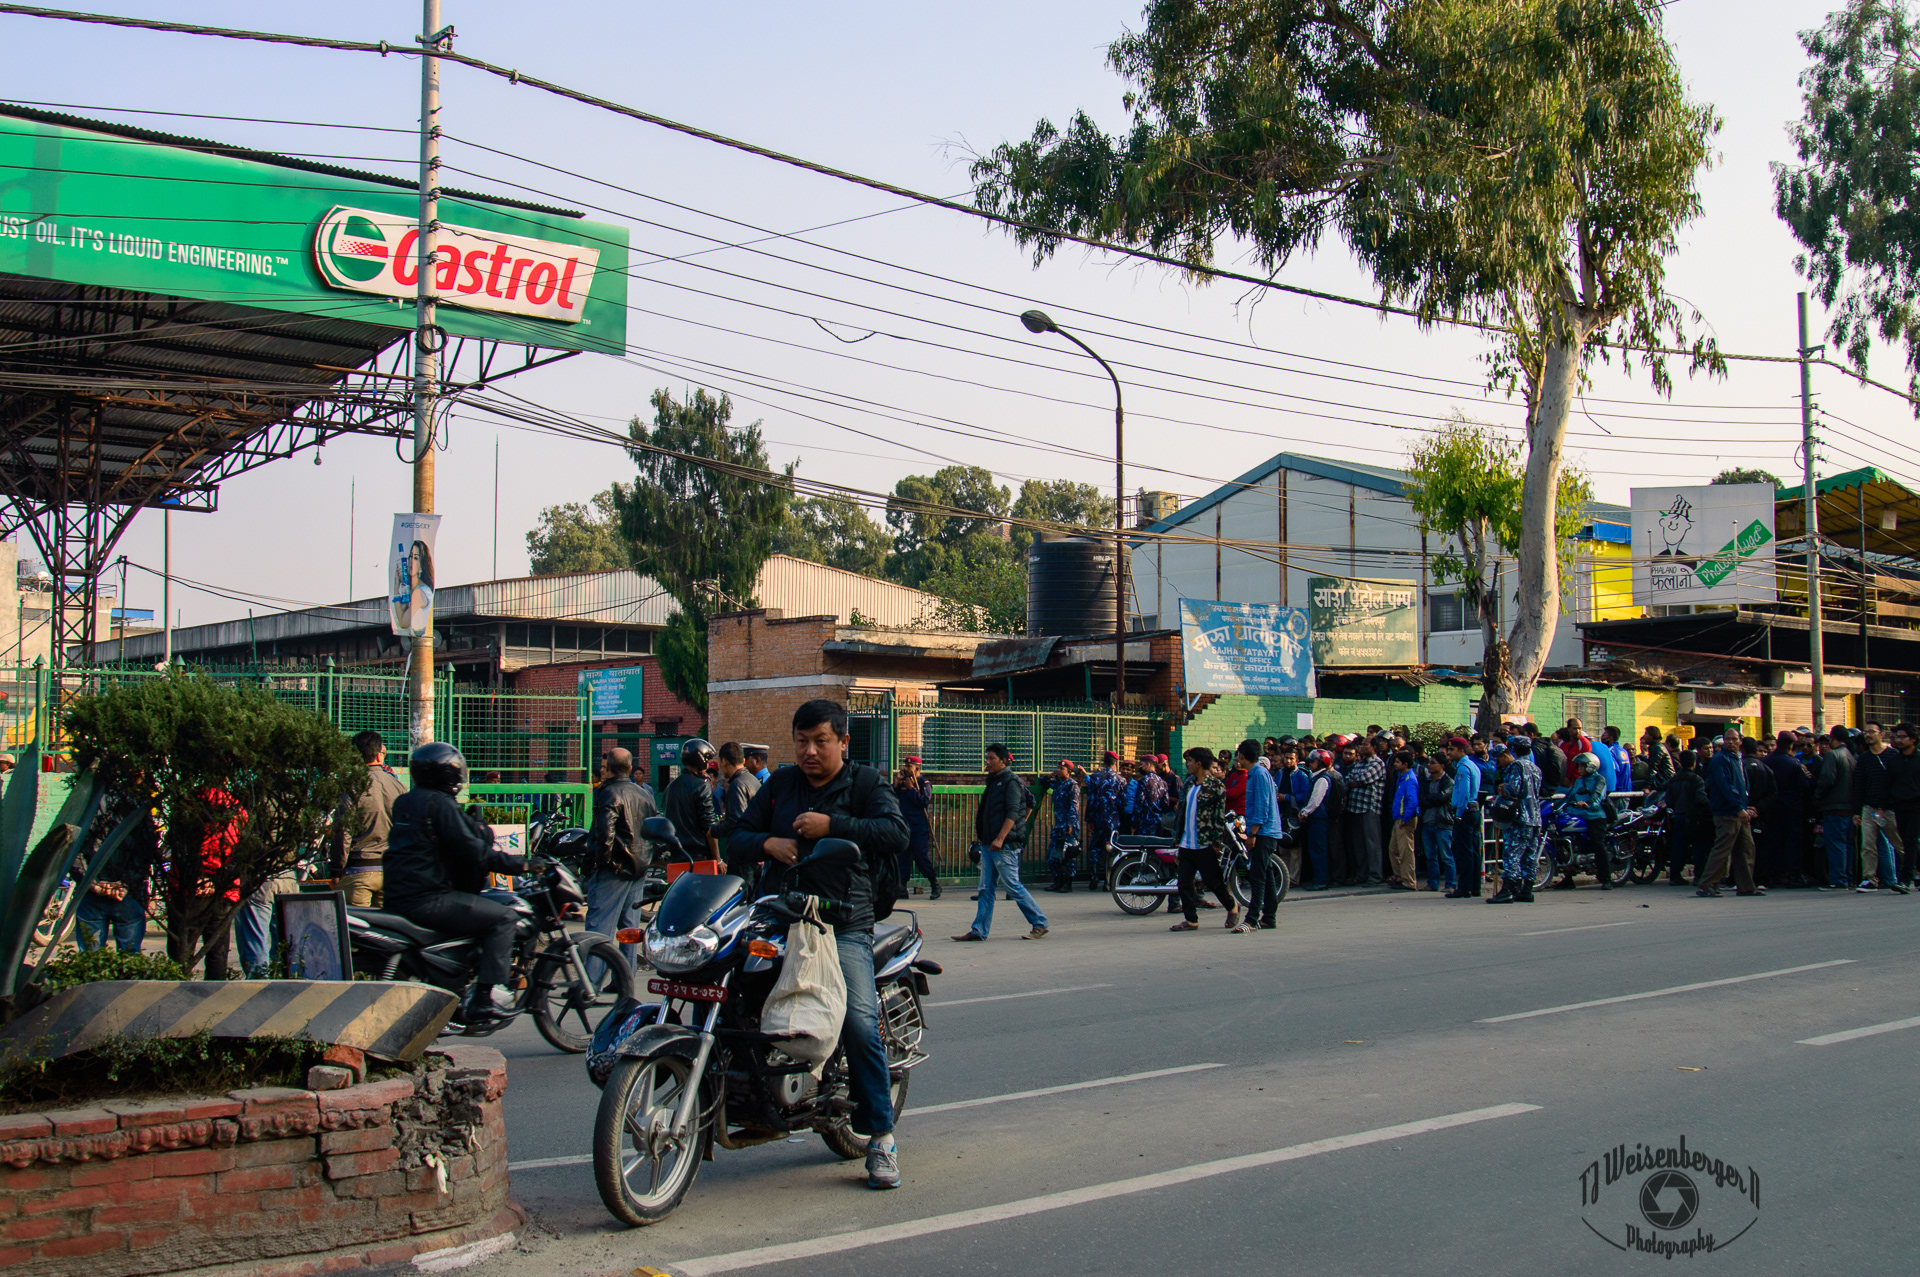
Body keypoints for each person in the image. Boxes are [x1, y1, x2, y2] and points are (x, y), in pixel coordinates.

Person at [725, 698, 909, 1190]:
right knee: (730, 989)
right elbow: (733, 835)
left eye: (820, 741)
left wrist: (836, 826)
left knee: (858, 1020)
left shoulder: (866, 783)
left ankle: (882, 1139)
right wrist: (767, 844)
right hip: (778, 913)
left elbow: (896, 833)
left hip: (842, 920)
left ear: (843, 742)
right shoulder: (781, 784)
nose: (809, 751)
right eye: (802, 741)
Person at [385, 743, 528, 1027]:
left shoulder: (406, 801)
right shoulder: (441, 805)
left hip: (398, 894)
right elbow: (473, 850)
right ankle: (485, 1000)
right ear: (447, 775)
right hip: (429, 898)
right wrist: (521, 865)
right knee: (504, 917)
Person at [955, 744, 1048, 942]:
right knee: (985, 889)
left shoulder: (1011, 781)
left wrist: (1001, 837)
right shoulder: (994, 781)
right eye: (986, 758)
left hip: (1004, 846)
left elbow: (1014, 811)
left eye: (991, 758)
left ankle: (1039, 922)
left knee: (1012, 886)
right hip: (989, 844)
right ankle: (979, 930)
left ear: (1003, 761)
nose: (987, 762)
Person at [582, 746, 657, 980]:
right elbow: (653, 828)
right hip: (638, 868)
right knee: (629, 930)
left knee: (598, 928)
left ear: (608, 769)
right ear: (630, 768)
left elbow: (605, 834)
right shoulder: (644, 794)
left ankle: (590, 983)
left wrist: (599, 864)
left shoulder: (609, 793)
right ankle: (625, 981)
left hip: (614, 870)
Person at [331, 730, 405, 909]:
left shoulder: (351, 786)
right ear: (380, 755)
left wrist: (336, 869)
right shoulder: (398, 786)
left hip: (359, 870)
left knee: (354, 932)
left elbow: (343, 832)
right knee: (386, 933)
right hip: (391, 871)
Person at [1170, 747, 1238, 931]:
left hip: (1204, 842)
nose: (1187, 764)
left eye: (1190, 761)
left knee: (1213, 882)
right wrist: (1178, 836)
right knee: (1184, 883)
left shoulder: (1216, 787)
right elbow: (1183, 812)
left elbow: (1218, 817)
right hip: (1186, 842)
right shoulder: (1189, 784)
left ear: (1199, 763)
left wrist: (1216, 843)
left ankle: (1232, 907)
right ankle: (1191, 920)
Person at [76, 804, 158, 953]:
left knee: (89, 959)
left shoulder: (88, 802)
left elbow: (75, 847)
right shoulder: (137, 803)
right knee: (130, 958)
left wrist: (93, 883)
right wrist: (126, 884)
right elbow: (146, 849)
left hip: (94, 892)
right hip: (127, 893)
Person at [1698, 729, 1762, 898]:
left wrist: (1744, 806)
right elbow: (1725, 786)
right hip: (1727, 812)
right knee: (1722, 850)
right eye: (1728, 739)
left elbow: (1741, 786)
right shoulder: (1720, 760)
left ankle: (1747, 886)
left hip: (1739, 810)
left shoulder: (1737, 759)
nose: (1731, 742)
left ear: (1740, 741)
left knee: (1746, 848)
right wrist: (1738, 808)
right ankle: (1706, 885)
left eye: (1734, 739)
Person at [1851, 723, 1909, 893]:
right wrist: (1857, 811)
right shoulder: (1863, 759)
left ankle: (1911, 871)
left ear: (1881, 734)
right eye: (1865, 732)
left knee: (1900, 843)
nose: (1867, 735)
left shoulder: (1894, 755)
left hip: (1891, 808)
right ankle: (1870, 879)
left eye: (1871, 732)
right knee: (1868, 844)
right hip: (1869, 808)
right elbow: (1859, 786)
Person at [1487, 742, 1542, 904]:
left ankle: (1508, 890)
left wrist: (1504, 787)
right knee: (1530, 855)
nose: (1498, 764)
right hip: (1535, 817)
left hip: (1520, 817)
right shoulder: (1534, 767)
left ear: (1509, 753)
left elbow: (1515, 790)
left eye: (1498, 760)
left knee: (1512, 854)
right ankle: (1526, 890)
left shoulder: (1517, 766)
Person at [1236, 739, 1281, 930]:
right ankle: (1269, 917)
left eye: (1238, 754)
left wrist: (1252, 834)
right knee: (1267, 874)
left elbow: (1262, 806)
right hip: (1262, 831)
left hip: (1264, 832)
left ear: (1243, 756)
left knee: (1258, 875)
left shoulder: (1259, 774)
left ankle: (1252, 918)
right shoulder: (1255, 774)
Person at [1763, 732, 1812, 888]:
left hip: (1771, 808)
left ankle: (1773, 875)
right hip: (1792, 809)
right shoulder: (1794, 764)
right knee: (1793, 843)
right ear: (1792, 746)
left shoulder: (1766, 762)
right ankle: (1793, 875)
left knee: (1773, 841)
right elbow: (1805, 786)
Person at [1559, 753, 1612, 890]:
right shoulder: (1578, 781)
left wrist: (1587, 804)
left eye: (1582, 766)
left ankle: (1606, 879)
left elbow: (1597, 797)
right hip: (1577, 815)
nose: (1579, 769)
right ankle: (1568, 878)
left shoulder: (1600, 780)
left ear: (1591, 766)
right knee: (1564, 841)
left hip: (1595, 816)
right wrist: (1557, 805)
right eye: (1579, 766)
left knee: (1598, 844)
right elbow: (1569, 796)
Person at [1812, 727, 1857, 890]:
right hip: (1849, 808)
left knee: (1835, 843)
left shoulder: (1833, 755)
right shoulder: (1851, 756)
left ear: (1832, 738)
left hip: (1834, 806)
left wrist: (1818, 796)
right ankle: (1848, 877)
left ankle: (1838, 879)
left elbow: (1826, 779)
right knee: (1847, 844)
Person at [662, 739, 719, 865]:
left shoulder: (670, 787)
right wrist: (718, 860)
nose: (708, 765)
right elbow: (709, 826)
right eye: (708, 761)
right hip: (698, 857)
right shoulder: (701, 786)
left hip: (676, 856)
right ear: (701, 761)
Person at [892, 756, 940, 900]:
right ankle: (902, 887)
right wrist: (896, 783)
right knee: (902, 857)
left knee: (920, 857)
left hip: (918, 827)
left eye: (909, 767)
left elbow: (924, 801)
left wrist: (911, 789)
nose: (906, 769)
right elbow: (891, 796)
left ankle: (934, 884)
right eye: (905, 766)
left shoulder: (923, 783)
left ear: (917, 769)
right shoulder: (902, 782)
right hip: (904, 825)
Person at [1342, 740, 1386, 886]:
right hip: (1354, 808)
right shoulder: (1360, 763)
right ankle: (1361, 875)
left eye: (1365, 745)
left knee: (1372, 844)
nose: (1362, 747)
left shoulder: (1377, 763)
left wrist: (1356, 781)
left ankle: (1375, 875)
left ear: (1374, 747)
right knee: (1358, 845)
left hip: (1369, 809)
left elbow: (1363, 779)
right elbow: (1348, 779)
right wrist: (1355, 781)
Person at [1665, 751, 1709, 884]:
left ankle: (1675, 875)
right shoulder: (1697, 779)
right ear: (1694, 763)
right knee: (1699, 847)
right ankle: (1698, 875)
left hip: (1678, 816)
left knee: (1678, 847)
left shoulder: (1674, 780)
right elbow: (1701, 799)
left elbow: (1669, 800)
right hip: (1694, 817)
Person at [1085, 751, 1125, 890]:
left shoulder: (1096, 778)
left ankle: (1094, 876)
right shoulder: (1121, 780)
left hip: (1098, 819)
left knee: (1095, 848)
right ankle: (1109, 880)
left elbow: (1091, 800)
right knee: (1113, 849)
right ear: (1115, 763)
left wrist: (1089, 819)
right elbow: (1122, 803)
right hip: (1113, 821)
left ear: (1104, 762)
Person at [1298, 749, 1336, 891]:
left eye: (1313, 762)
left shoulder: (1322, 779)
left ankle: (1321, 880)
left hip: (1319, 818)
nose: (1310, 764)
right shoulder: (1315, 777)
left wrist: (1305, 812)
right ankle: (1318, 878)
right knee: (1314, 849)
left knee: (1318, 850)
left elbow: (1316, 800)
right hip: (1314, 818)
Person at [1888, 723, 1920, 889]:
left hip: (1916, 805)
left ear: (1913, 739)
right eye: (1897, 737)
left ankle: (1905, 880)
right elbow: (1888, 784)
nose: (1899, 740)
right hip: (1899, 805)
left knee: (1910, 842)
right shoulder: (1894, 761)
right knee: (1908, 841)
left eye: (1902, 737)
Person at [1043, 760, 1083, 893]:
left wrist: (1070, 825)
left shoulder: (1073, 786)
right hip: (1058, 824)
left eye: (1062, 768)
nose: (1059, 770)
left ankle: (1067, 883)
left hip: (1068, 825)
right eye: (1058, 768)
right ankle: (1057, 880)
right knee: (1052, 855)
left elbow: (1074, 806)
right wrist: (1049, 776)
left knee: (1069, 856)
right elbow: (1042, 781)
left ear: (1069, 771)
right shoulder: (1058, 784)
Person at [1418, 755, 1455, 893]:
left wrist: (1430, 798)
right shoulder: (1426, 781)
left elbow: (1442, 798)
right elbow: (1421, 799)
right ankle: (1433, 883)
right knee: (1430, 856)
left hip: (1442, 823)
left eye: (1433, 763)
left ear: (1442, 765)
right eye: (1429, 763)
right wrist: (1431, 798)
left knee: (1446, 855)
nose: (1429, 765)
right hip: (1427, 822)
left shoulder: (1448, 781)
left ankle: (1451, 884)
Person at [1386, 750, 1419, 891]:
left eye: (1398, 762)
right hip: (1398, 818)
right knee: (1393, 849)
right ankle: (1399, 876)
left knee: (1406, 851)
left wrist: (1406, 817)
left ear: (1405, 764)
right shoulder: (1401, 777)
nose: (1395, 764)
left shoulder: (1409, 779)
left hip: (1405, 819)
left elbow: (1412, 801)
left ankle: (1409, 881)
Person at [715, 742, 761, 843]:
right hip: (755, 845)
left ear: (724, 761)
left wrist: (714, 830)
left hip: (743, 850)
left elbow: (736, 824)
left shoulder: (737, 785)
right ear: (743, 760)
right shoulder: (753, 779)